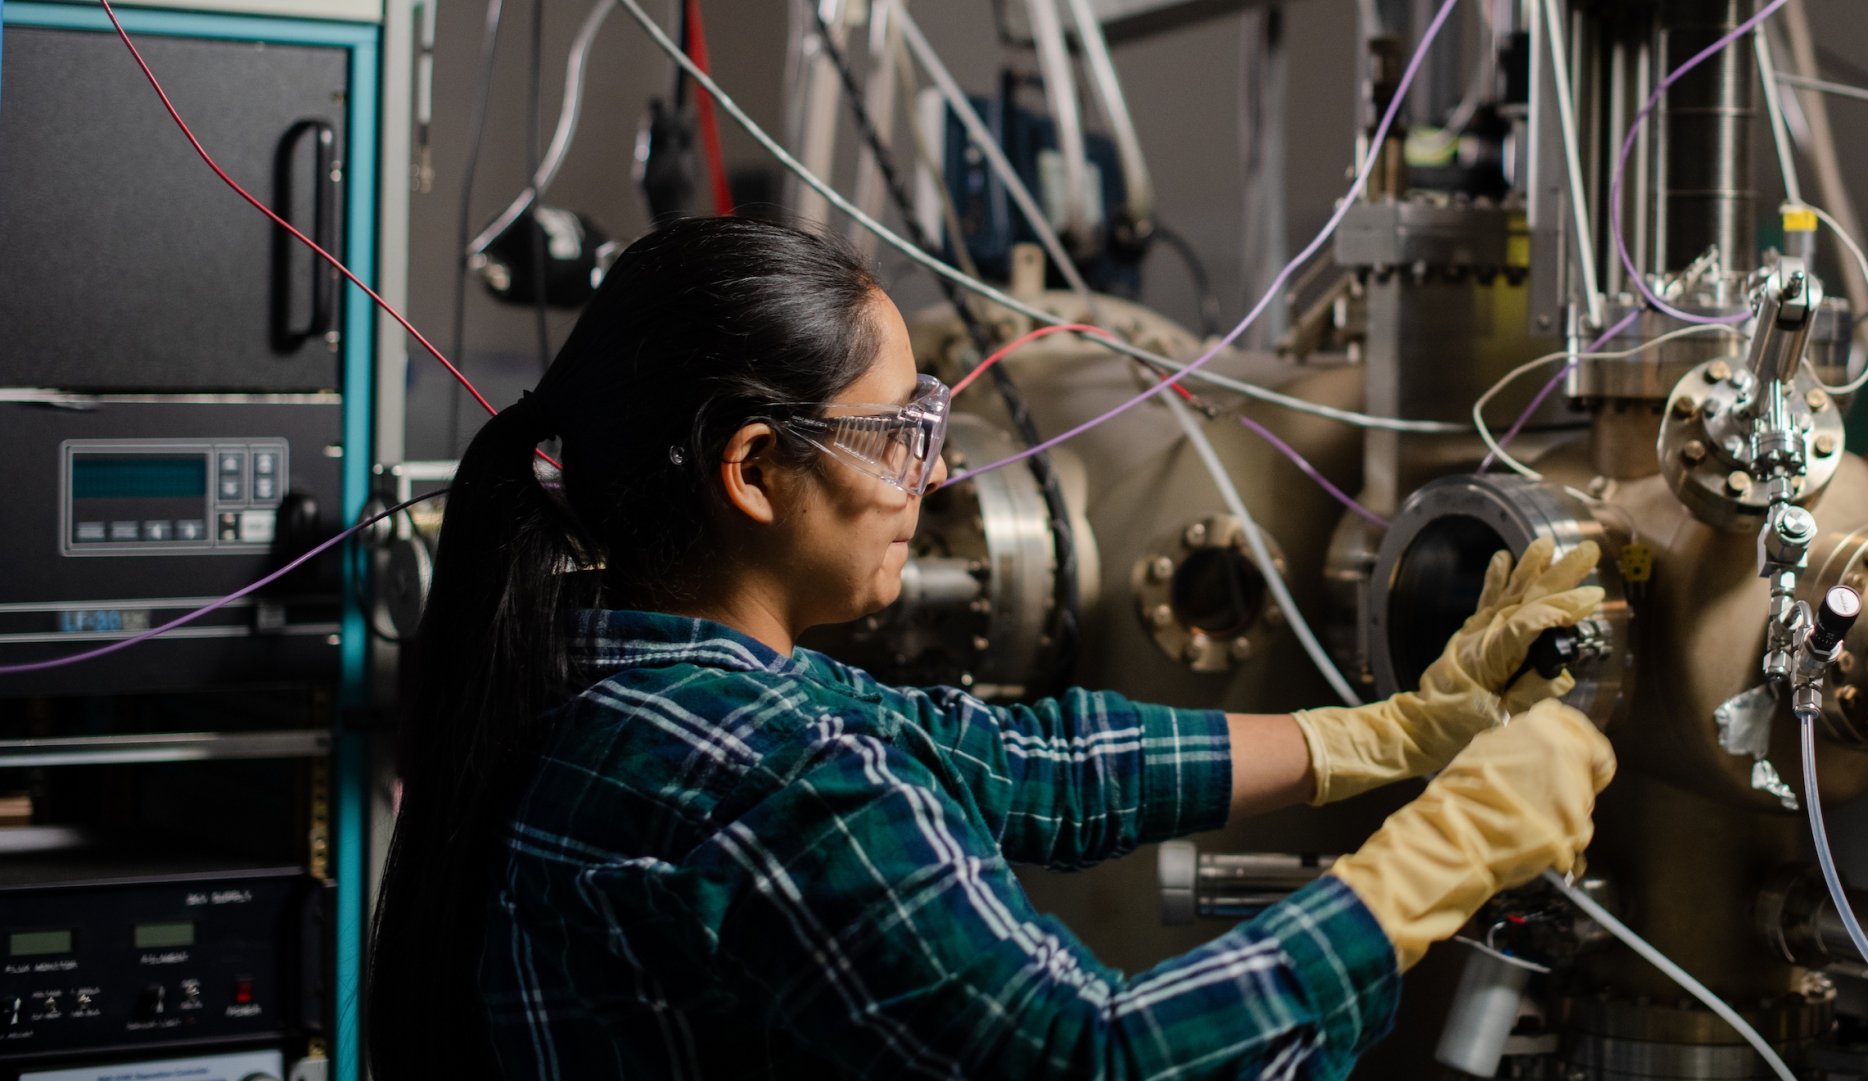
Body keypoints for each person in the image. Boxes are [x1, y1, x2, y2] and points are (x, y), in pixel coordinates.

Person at [366, 216, 1615, 1079]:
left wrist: (1387, 737)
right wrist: (1418, 876)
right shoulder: (773, 776)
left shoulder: (604, 681)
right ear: (753, 470)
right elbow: (1100, 1060)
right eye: (902, 428)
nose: (938, 469)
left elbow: (1031, 765)